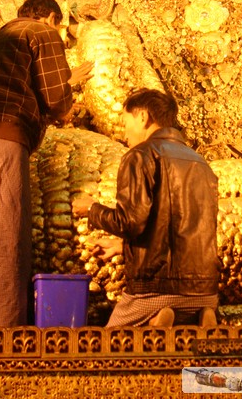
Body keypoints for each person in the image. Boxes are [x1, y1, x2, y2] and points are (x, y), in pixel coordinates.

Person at [0, 0, 92, 327]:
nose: (61, 34)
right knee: (1, 234)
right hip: (3, 136)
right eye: (62, 27)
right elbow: (58, 99)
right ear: (50, 18)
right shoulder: (41, 33)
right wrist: (73, 82)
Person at [73, 88, 220, 327]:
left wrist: (92, 210)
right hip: (204, 291)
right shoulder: (200, 162)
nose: (124, 131)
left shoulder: (141, 155)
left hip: (155, 290)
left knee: (108, 350)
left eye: (125, 120)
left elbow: (130, 221)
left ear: (143, 116)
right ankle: (191, 317)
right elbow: (181, 229)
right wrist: (123, 247)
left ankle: (157, 318)